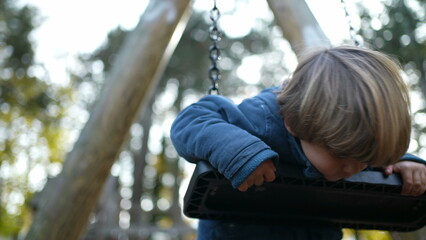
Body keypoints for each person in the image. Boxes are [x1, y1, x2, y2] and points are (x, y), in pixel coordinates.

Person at [170, 46, 426, 240]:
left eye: (368, 159)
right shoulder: (259, 122)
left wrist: (404, 162)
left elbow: (367, 154)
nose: (355, 168)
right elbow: (191, 121)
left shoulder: (347, 144)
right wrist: (240, 152)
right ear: (293, 122)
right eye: (342, 157)